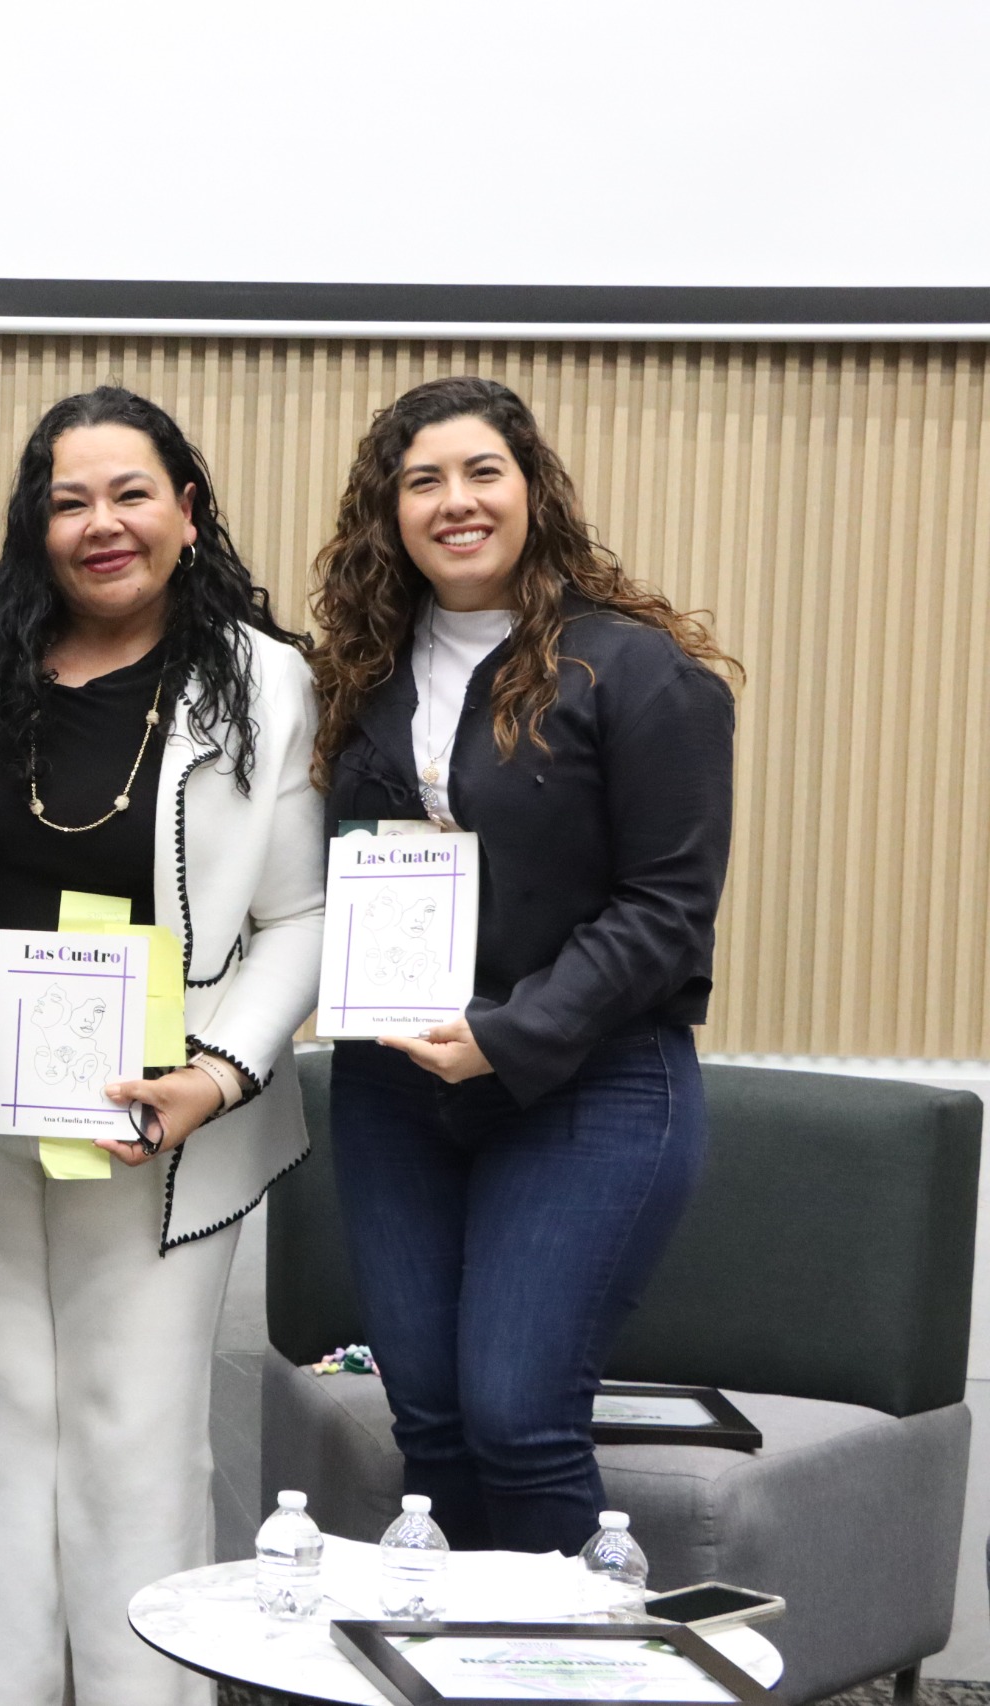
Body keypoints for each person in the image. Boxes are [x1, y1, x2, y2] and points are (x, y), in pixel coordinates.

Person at [0, 387, 323, 1706]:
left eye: (131, 492)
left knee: (134, 1439)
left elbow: (298, 915)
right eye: (68, 498)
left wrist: (215, 1072)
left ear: (188, 509)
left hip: (158, 1118)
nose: (101, 525)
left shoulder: (263, 678)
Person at [307, 374, 740, 1554]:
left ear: (532, 489)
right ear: (388, 513)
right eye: (422, 480)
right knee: (431, 1422)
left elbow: (667, 912)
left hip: (589, 1085)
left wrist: (509, 1031)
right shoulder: (357, 676)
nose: (455, 501)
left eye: (480, 472)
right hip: (392, 1088)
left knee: (517, 1417)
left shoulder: (636, 671)